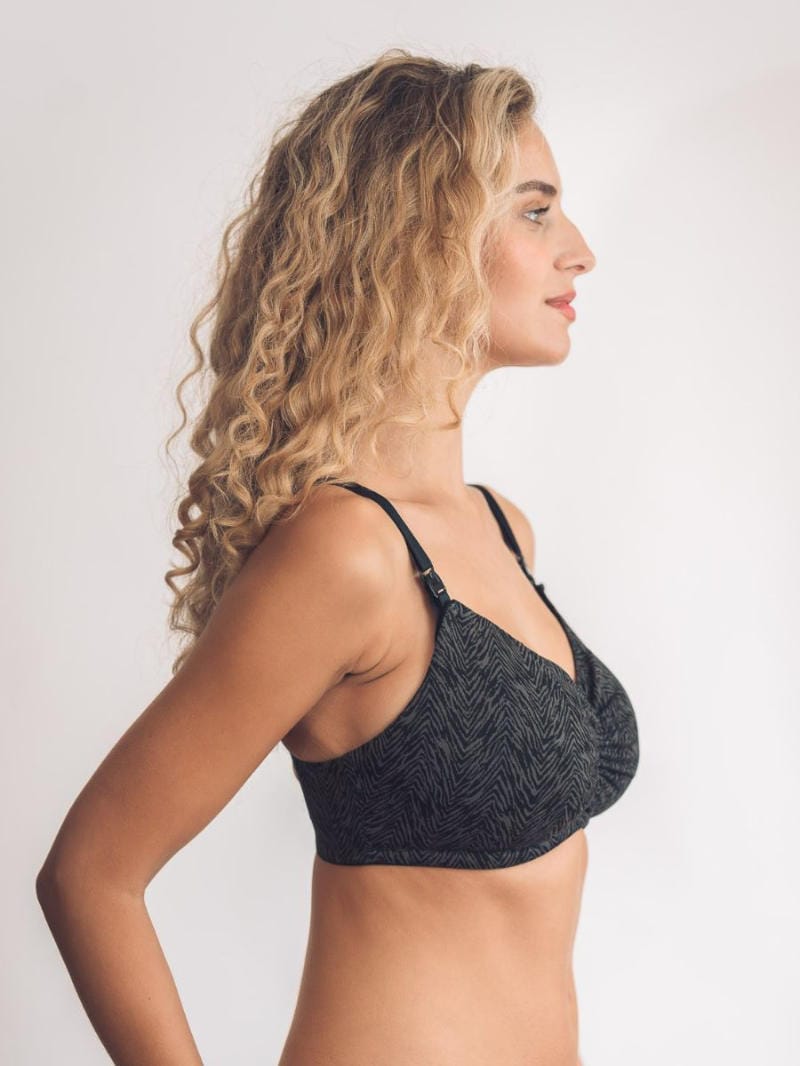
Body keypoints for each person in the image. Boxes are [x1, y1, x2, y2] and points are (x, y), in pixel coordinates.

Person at [35, 49, 639, 1066]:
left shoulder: (499, 528)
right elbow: (92, 873)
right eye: (535, 212)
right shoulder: (348, 553)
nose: (577, 251)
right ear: (419, 238)